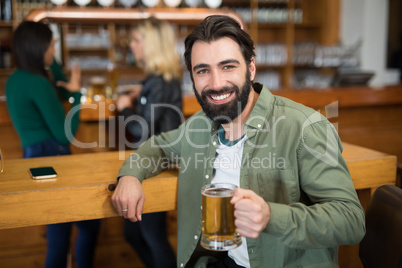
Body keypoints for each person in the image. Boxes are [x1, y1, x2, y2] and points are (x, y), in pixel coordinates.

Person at [111, 15, 365, 268]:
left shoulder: (305, 127)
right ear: (192, 77)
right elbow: (159, 146)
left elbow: (351, 221)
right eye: (203, 71)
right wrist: (131, 176)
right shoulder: (198, 124)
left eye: (228, 66)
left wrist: (270, 217)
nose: (216, 83)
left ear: (251, 67)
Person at [6, 21, 100, 268]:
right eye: (52, 46)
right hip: (54, 158)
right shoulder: (39, 84)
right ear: (39, 48)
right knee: (70, 235)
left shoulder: (16, 79)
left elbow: (60, 87)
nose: (54, 51)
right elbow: (64, 134)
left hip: (33, 158)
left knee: (63, 235)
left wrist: (63, 79)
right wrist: (78, 94)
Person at [115, 17, 181, 268]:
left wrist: (123, 108)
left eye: (136, 39)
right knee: (137, 234)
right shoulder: (158, 78)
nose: (131, 45)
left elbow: (141, 131)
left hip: (157, 166)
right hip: (155, 163)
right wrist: (140, 94)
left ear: (151, 44)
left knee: (150, 235)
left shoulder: (158, 81)